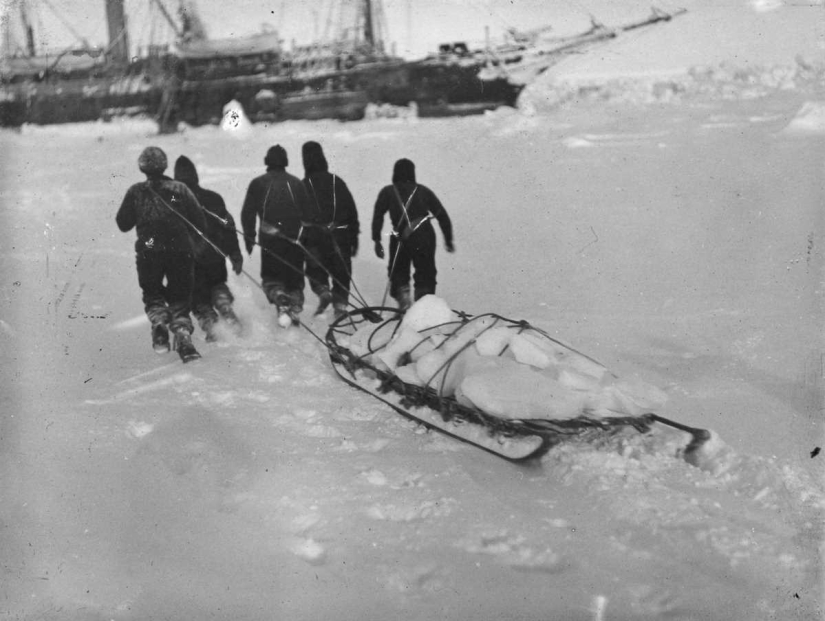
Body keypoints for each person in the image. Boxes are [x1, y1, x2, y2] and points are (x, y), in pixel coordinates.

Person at [116, 146, 206, 362]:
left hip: (149, 248)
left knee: (153, 293)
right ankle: (183, 336)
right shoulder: (181, 189)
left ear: (142, 167)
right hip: (180, 249)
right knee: (181, 297)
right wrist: (194, 246)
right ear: (165, 165)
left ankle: (159, 322)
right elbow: (199, 222)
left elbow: (123, 224)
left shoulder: (135, 192)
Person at [240, 144, 315, 326]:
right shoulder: (297, 183)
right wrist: (306, 239)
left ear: (267, 162)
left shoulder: (258, 183)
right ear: (286, 162)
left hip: (269, 240)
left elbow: (247, 213)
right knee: (295, 280)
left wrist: (249, 237)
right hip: (294, 240)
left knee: (272, 278)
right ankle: (295, 308)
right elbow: (308, 217)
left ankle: (279, 297)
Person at [173, 155, 244, 341]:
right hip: (215, 257)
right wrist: (235, 253)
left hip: (190, 262)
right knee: (217, 285)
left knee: (198, 298)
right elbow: (228, 227)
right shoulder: (214, 197)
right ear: (195, 175)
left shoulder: (172, 202)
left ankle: (212, 327)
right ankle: (225, 306)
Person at [371, 158, 454, 310]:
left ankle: (403, 297)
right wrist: (448, 240)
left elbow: (378, 216)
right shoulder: (423, 191)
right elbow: (442, 215)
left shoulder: (388, 191)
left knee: (398, 270)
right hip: (424, 235)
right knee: (426, 271)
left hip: (399, 237)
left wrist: (377, 240)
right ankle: (422, 306)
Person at [301, 141, 360, 320]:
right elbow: (351, 211)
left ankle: (323, 292)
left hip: (313, 236)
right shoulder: (337, 182)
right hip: (340, 234)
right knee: (342, 271)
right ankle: (340, 307)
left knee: (314, 269)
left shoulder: (302, 184)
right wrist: (354, 237)